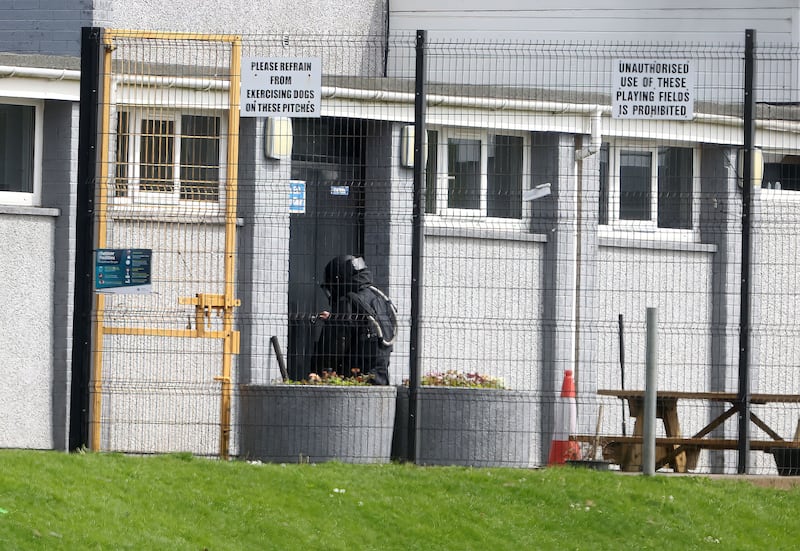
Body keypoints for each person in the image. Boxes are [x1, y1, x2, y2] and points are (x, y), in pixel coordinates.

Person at [310, 255, 396, 385]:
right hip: (379, 379)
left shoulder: (348, 302)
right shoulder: (377, 298)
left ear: (338, 280)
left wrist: (319, 372)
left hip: (353, 382)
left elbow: (334, 345)